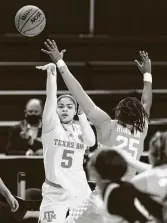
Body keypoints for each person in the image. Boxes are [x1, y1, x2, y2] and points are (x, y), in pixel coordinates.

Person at [41, 39, 152, 180]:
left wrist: (60, 63)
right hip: (128, 188)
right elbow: (146, 102)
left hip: (103, 190)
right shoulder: (141, 129)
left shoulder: (106, 123)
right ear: (138, 115)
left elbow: (79, 93)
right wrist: (147, 74)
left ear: (118, 112)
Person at [35, 63, 95, 223]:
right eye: (61, 106)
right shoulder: (51, 127)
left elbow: (91, 141)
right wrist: (51, 74)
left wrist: (82, 115)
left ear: (75, 110)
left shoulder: (80, 129)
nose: (65, 109)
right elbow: (50, 98)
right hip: (55, 192)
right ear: (56, 110)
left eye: (69, 107)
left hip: (80, 190)